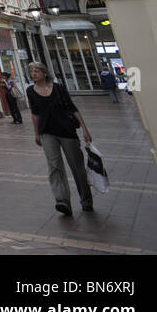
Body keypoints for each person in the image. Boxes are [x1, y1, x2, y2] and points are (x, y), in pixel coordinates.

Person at [26, 62, 93, 216]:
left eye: (37, 71)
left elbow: (72, 107)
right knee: (54, 167)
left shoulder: (58, 88)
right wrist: (36, 133)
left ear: (44, 73)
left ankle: (86, 200)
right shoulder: (30, 91)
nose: (34, 74)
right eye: (31, 71)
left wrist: (84, 129)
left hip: (67, 130)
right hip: (47, 132)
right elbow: (34, 113)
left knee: (77, 167)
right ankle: (62, 201)